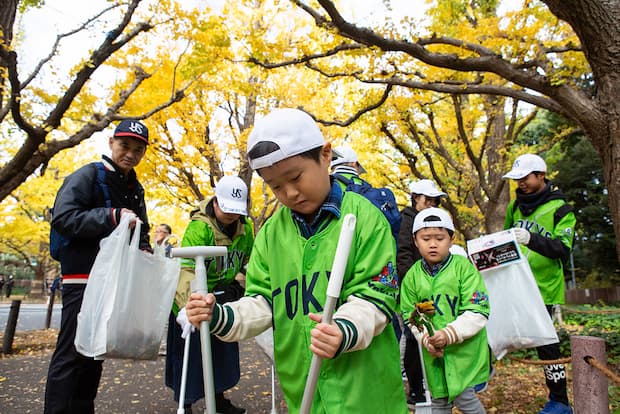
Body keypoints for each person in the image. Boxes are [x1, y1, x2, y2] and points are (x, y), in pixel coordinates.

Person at [185, 108, 408, 413]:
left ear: (325, 155)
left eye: (295, 177)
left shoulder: (366, 219)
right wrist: (220, 314)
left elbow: (376, 296)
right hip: (302, 390)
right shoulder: (270, 235)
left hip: (365, 394)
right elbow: (262, 303)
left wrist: (344, 330)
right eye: (275, 186)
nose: (289, 192)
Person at [44, 119, 151, 414]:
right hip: (82, 279)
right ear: (111, 143)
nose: (130, 153)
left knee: (94, 353)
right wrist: (111, 216)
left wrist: (145, 250)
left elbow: (142, 229)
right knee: (71, 352)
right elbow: (63, 219)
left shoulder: (134, 186)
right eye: (124, 145)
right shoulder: (88, 175)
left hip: (114, 279)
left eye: (138, 149)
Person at [166, 175, 253, 414]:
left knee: (220, 354)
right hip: (192, 300)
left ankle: (219, 399)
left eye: (237, 210)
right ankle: (185, 402)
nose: (232, 215)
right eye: (226, 209)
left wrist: (239, 283)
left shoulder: (246, 229)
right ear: (215, 202)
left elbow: (249, 262)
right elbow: (186, 269)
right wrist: (189, 307)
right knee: (191, 357)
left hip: (222, 300)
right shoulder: (200, 227)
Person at [503, 153, 575, 414]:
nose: (520, 183)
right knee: (494, 324)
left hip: (543, 287)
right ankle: (481, 372)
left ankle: (559, 401)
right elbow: (505, 239)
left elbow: (563, 249)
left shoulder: (561, 209)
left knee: (547, 347)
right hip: (515, 284)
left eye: (525, 178)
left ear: (541, 176)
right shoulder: (514, 206)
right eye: (517, 179)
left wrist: (531, 239)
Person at [400, 207, 490, 414]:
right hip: (434, 353)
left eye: (439, 238)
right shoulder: (413, 276)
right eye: (425, 238)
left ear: (451, 239)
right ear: (415, 241)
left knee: (465, 398)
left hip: (463, 351)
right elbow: (410, 313)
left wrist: (449, 334)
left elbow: (478, 308)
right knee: (438, 399)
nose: (432, 244)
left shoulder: (463, 268)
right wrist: (426, 339)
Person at [396, 178, 447, 405]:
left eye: (436, 201)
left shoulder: (430, 221)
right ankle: (416, 390)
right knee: (413, 335)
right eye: (429, 199)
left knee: (432, 333)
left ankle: (433, 384)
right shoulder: (407, 220)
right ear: (417, 198)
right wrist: (413, 286)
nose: (433, 204)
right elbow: (404, 254)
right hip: (413, 290)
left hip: (431, 286)